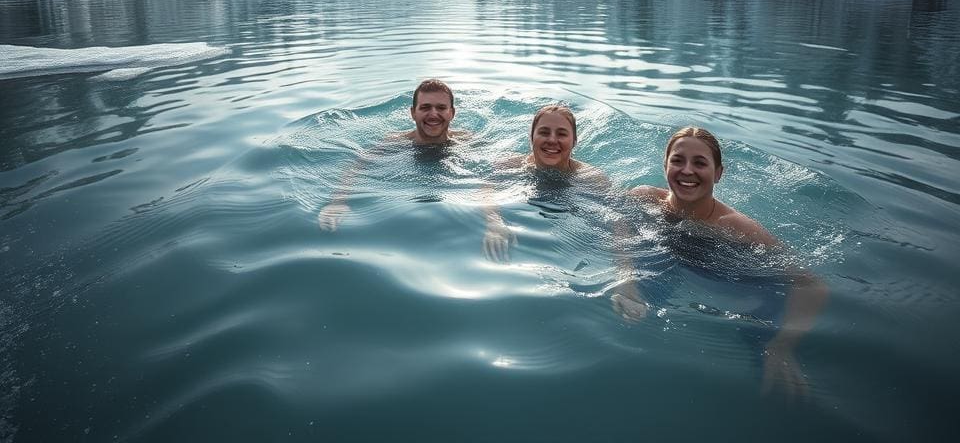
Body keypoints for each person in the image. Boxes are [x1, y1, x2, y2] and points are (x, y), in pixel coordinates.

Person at [610, 126, 828, 397]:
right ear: (665, 165)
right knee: (626, 318)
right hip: (674, 261)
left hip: (749, 292)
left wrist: (782, 344)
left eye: (700, 163)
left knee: (768, 373)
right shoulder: (643, 198)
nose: (687, 170)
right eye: (677, 160)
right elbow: (621, 224)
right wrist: (626, 275)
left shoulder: (736, 228)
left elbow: (811, 285)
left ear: (718, 173)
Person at [318, 79, 468, 230]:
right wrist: (338, 202)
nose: (433, 114)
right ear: (413, 113)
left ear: (452, 113)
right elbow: (357, 166)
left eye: (441, 108)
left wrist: (492, 218)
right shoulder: (395, 142)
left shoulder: (466, 141)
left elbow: (488, 179)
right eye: (425, 107)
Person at [483, 105, 608, 261]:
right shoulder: (509, 165)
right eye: (544, 132)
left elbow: (614, 223)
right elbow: (486, 191)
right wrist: (494, 223)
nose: (552, 140)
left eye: (561, 134)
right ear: (532, 137)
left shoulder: (592, 178)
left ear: (574, 141)